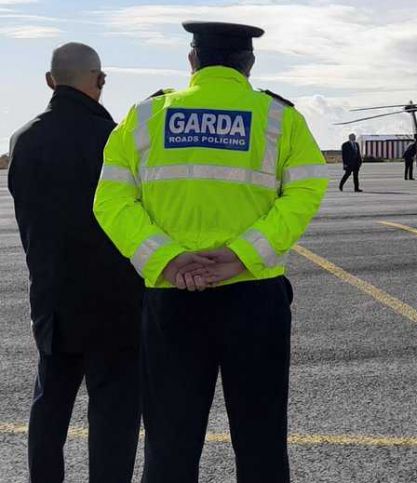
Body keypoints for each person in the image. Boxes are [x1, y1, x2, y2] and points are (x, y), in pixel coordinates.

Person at [93, 21, 328, 482]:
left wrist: (166, 258)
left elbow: (110, 200)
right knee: (260, 442)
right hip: (254, 298)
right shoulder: (280, 118)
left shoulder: (145, 116)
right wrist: (242, 254)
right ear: (250, 63)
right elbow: (304, 193)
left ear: (192, 60)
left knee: (169, 443)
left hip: (172, 300)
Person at [8, 42, 142, 483]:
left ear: (50, 81)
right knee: (113, 415)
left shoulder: (23, 140)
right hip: (115, 303)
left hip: (54, 299)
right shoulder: (115, 140)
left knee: (49, 406)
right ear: (99, 80)